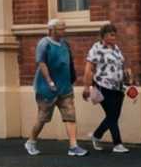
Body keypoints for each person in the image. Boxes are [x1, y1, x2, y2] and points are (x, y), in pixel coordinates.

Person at [28, 19, 87, 157]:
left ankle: (73, 146)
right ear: (52, 29)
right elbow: (41, 63)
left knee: (70, 116)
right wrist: (49, 81)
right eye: (61, 28)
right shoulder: (44, 44)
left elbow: (69, 62)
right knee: (42, 118)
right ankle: (31, 141)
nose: (63, 31)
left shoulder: (65, 43)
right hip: (47, 89)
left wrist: (72, 79)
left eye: (64, 28)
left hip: (65, 87)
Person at [84, 24, 132, 153]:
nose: (114, 37)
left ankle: (96, 135)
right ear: (103, 35)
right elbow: (89, 69)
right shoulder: (97, 48)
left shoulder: (116, 48)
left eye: (115, 34)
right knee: (112, 115)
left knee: (114, 116)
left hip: (119, 87)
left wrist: (127, 73)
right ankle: (117, 144)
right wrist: (87, 87)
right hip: (103, 86)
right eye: (111, 34)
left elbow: (122, 63)